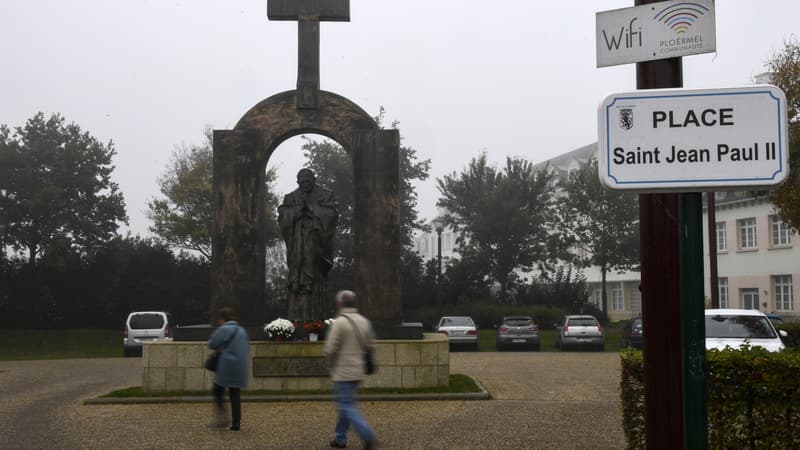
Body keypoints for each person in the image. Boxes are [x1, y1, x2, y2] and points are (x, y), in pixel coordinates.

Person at [278, 168, 339, 321]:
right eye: (302, 182)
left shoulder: (326, 194)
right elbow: (283, 217)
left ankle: (316, 320)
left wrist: (311, 209)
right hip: (297, 246)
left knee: (315, 280)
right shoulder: (291, 197)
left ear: (314, 180)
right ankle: (297, 319)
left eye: (308, 181)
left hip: (317, 247)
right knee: (297, 280)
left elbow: (331, 215)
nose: (305, 184)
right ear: (298, 182)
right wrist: (298, 211)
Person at [324, 290, 378, 449]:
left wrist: (330, 363)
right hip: (357, 370)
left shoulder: (339, 323)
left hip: (342, 372)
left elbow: (330, 349)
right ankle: (340, 438)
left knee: (346, 406)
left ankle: (367, 434)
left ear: (340, 304)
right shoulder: (364, 321)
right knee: (346, 404)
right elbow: (372, 345)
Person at [207, 307, 249, 431]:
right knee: (235, 393)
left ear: (222, 319)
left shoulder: (224, 329)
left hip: (226, 365)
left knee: (217, 390)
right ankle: (236, 423)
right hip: (240, 366)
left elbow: (212, 344)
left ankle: (222, 417)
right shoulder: (242, 330)